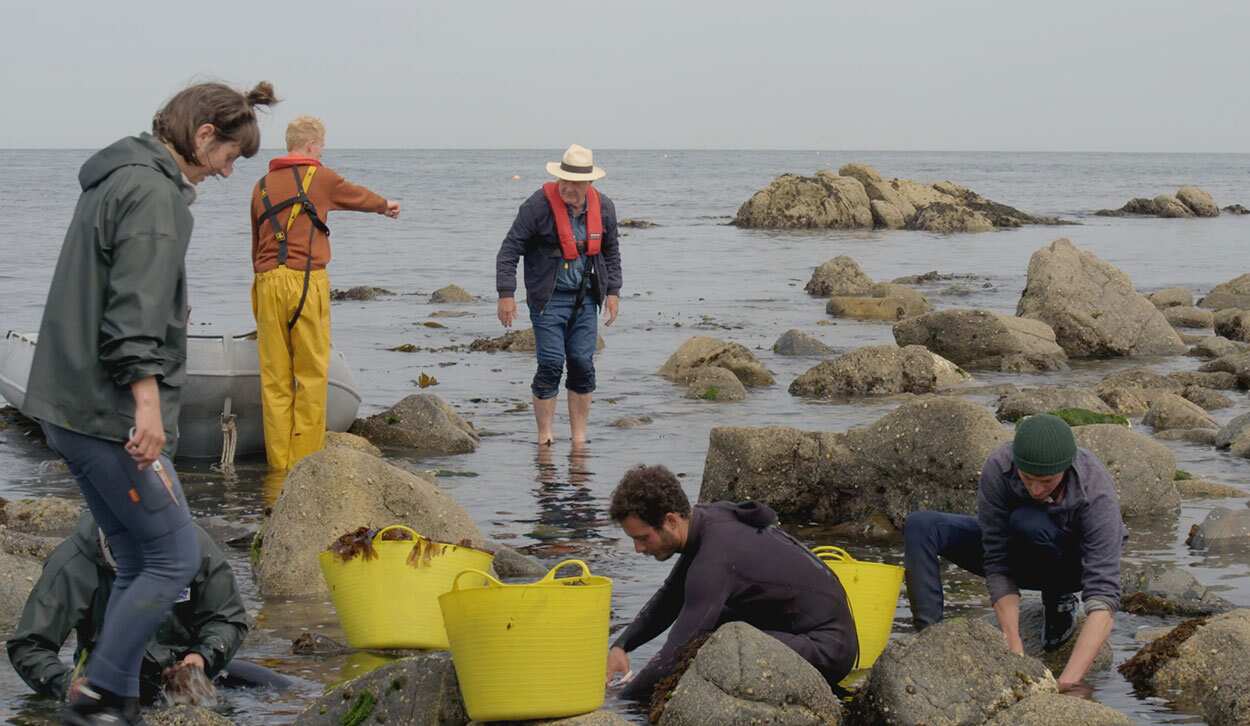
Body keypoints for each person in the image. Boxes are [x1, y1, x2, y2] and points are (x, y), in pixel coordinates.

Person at [22, 80, 277, 725]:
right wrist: (148, 405)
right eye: (230, 157)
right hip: (105, 411)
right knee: (172, 556)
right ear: (203, 137)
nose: (227, 172)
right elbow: (132, 314)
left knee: (138, 557)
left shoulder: (114, 177)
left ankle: (121, 706)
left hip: (64, 403)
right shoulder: (157, 196)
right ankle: (99, 694)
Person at [903, 413, 1127, 693]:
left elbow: (1104, 596)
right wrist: (1014, 647)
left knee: (1030, 521)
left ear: (1066, 468)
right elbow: (996, 559)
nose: (1035, 488)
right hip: (1018, 551)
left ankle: (1059, 602)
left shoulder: (1095, 489)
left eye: (1046, 481)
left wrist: (1067, 685)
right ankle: (931, 640)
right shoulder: (999, 466)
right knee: (921, 525)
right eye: (1028, 478)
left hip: (1072, 566)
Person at [605, 465, 858, 701]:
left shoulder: (715, 558)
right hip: (799, 629)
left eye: (643, 538)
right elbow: (670, 598)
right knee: (709, 624)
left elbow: (675, 651)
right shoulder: (704, 521)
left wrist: (621, 701)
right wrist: (621, 646)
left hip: (827, 649)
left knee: (708, 645)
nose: (638, 549)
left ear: (671, 521)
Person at [7, 512, 288, 707]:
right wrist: (66, 684)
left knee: (283, 689)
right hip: (108, 683)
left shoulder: (194, 546)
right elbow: (29, 645)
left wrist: (200, 658)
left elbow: (228, 618)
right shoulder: (72, 564)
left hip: (189, 672)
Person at [249, 115, 400, 473]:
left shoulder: (261, 186)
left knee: (274, 376)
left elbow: (256, 243)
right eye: (322, 146)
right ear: (313, 145)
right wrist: (386, 205)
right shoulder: (320, 177)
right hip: (304, 279)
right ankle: (303, 464)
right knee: (312, 372)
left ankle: (279, 464)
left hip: (266, 280)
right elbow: (356, 195)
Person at [495, 144, 622, 446]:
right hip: (548, 299)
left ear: (589, 183)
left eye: (574, 183)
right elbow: (509, 250)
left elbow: (611, 250)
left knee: (581, 362)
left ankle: (579, 439)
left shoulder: (604, 207)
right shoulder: (536, 206)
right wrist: (506, 294)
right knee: (551, 363)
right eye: (563, 180)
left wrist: (614, 291)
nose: (566, 187)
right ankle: (545, 438)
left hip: (585, 298)